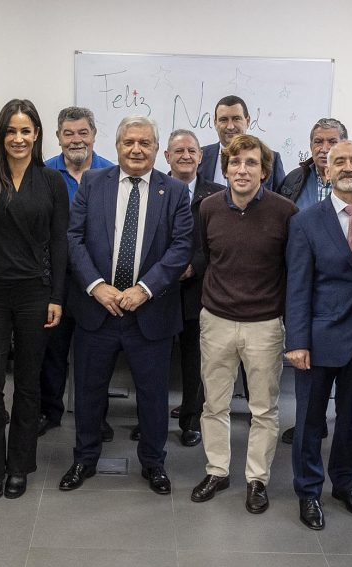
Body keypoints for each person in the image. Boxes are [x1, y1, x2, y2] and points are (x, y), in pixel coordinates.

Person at [59, 116, 194, 496]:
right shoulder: (92, 183)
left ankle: (153, 463)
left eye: (145, 143)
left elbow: (181, 247)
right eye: (129, 142)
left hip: (149, 313)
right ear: (117, 146)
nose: (136, 149)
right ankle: (84, 458)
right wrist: (97, 286)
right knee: (88, 392)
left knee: (153, 396)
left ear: (157, 149)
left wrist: (144, 289)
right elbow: (73, 238)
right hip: (97, 311)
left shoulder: (175, 191)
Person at [0, 98, 68, 500]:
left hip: (35, 295)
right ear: (1, 135)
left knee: (27, 383)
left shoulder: (52, 181)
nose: (18, 138)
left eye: (25, 130)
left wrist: (57, 296)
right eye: (11, 131)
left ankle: (19, 466)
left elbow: (59, 244)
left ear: (36, 134)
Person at [191, 134, 298, 513]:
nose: (242, 170)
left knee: (264, 409)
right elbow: (206, 258)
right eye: (235, 162)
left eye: (251, 163)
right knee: (214, 404)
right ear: (225, 169)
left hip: (264, 325)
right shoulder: (208, 208)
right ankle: (217, 471)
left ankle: (257, 480)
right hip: (216, 320)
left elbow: (292, 269)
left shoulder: (285, 212)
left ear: (264, 171)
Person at [283, 140, 352, 530]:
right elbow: (297, 286)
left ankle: (346, 484)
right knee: (309, 419)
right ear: (326, 172)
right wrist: (297, 341)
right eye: (339, 161)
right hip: (319, 337)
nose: (348, 167)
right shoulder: (306, 221)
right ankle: (308, 491)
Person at [38, 106, 114, 439]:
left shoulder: (111, 173)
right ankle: (49, 412)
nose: (76, 139)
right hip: (53, 281)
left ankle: (96, 417)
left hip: (96, 282)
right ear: (58, 137)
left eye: (83, 132)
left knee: (94, 356)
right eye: (68, 133)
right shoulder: (44, 173)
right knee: (51, 352)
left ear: (94, 135)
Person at [163, 128, 221, 447]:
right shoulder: (154, 189)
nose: (185, 156)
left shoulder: (217, 195)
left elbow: (218, 241)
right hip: (159, 287)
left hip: (199, 290)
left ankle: (190, 421)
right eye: (178, 151)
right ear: (167, 157)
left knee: (194, 361)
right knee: (154, 361)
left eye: (191, 151)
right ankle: (151, 420)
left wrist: (193, 266)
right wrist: (167, 269)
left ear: (201, 156)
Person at [196, 94, 286, 188]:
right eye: (223, 120)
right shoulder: (199, 157)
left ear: (248, 121)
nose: (230, 126)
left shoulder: (272, 159)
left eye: (236, 119)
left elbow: (280, 196)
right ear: (215, 123)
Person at [276, 117, 345, 210]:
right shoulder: (293, 179)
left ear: (345, 147)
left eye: (332, 142)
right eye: (318, 142)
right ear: (311, 146)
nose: (324, 149)